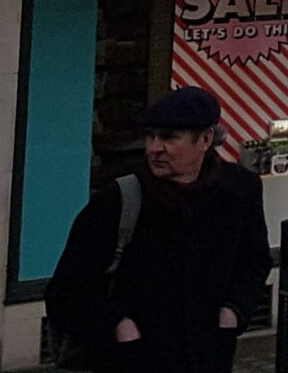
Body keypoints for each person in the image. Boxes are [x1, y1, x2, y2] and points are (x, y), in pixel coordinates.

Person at [45, 86, 273, 370]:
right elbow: (66, 291)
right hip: (134, 359)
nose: (154, 148)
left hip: (207, 355)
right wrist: (119, 326)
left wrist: (233, 312)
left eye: (168, 137)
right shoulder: (121, 199)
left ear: (205, 139)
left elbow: (254, 262)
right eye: (150, 136)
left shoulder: (240, 190)